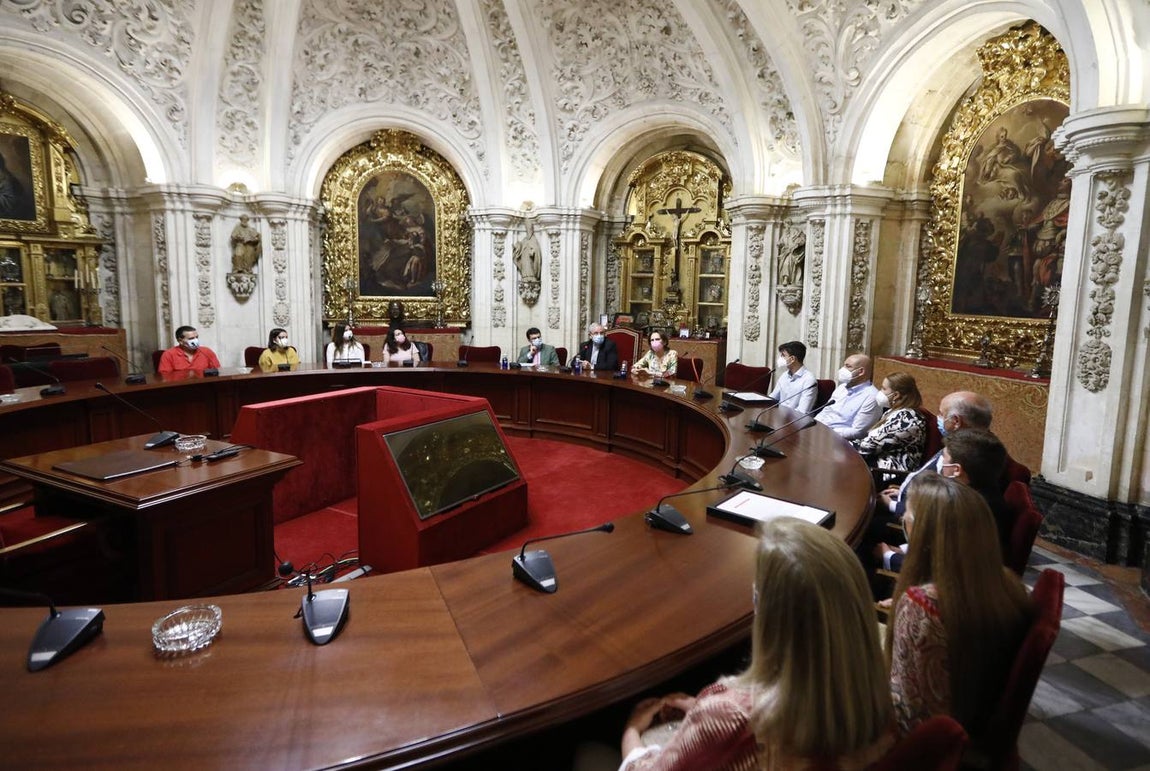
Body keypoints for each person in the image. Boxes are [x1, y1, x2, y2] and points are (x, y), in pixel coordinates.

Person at [618, 517, 894, 770]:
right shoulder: (874, 695)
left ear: (768, 611)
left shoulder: (732, 716)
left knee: (588, 752)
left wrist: (631, 732)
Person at [886, 472, 1033, 740]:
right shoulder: (1007, 583)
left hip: (918, 747)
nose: (902, 519)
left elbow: (909, 716)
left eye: (906, 516)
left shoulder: (923, 606)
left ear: (923, 532)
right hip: (971, 720)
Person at [876, 428, 1009, 573]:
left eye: (944, 458)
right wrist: (900, 551)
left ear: (956, 470)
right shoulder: (977, 491)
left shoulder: (967, 510)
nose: (940, 463)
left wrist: (889, 556)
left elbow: (941, 568)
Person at [877, 390, 994, 518]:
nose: (938, 418)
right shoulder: (961, 443)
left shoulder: (968, 458)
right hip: (915, 497)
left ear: (956, 421)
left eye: (941, 414)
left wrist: (891, 505)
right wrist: (907, 492)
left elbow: (939, 511)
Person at [854, 372, 926, 473]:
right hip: (877, 462)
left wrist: (844, 446)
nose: (880, 392)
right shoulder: (893, 411)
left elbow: (867, 447)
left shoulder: (907, 420)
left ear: (896, 395)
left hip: (892, 472)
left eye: (883, 389)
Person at [815, 353, 882, 440]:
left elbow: (858, 432)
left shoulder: (872, 397)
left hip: (840, 442)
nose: (842, 370)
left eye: (848, 366)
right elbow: (826, 411)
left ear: (861, 371)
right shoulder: (842, 387)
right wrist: (814, 424)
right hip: (820, 433)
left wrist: (827, 432)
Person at [767, 340, 817, 412]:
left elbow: (802, 411)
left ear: (792, 359)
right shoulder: (784, 375)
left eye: (783, 355)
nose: (780, 358)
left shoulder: (809, 380)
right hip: (778, 416)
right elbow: (772, 398)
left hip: (795, 421)